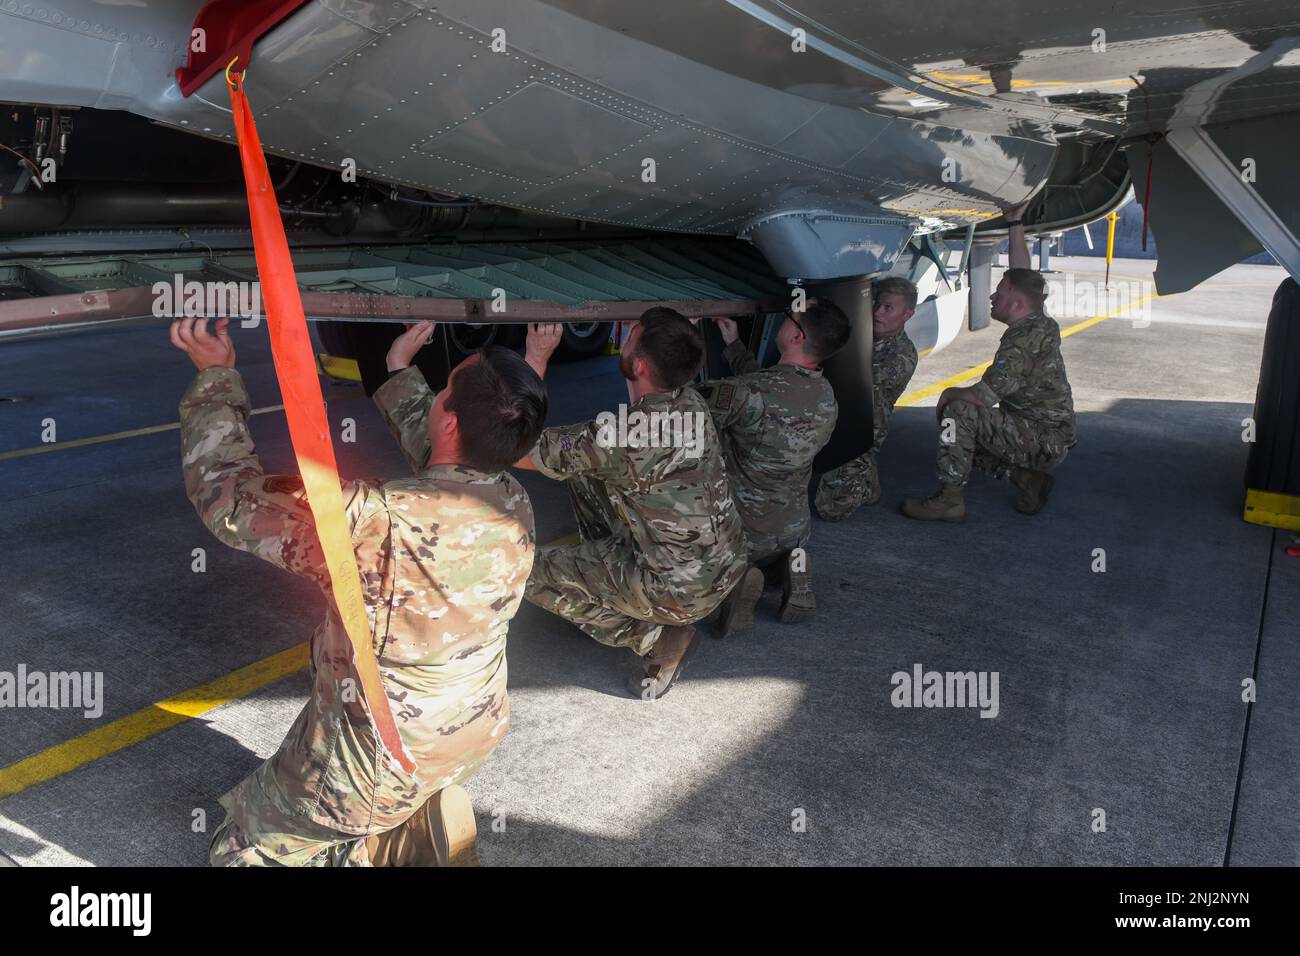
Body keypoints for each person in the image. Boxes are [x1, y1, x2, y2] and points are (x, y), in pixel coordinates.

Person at [171, 316, 545, 865]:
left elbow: (228, 498)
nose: (438, 399)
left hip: (376, 763)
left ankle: (375, 846)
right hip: (469, 734)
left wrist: (217, 376)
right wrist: (397, 372)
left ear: (450, 418)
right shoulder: (512, 501)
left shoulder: (370, 523)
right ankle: (405, 818)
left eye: (443, 392)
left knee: (235, 852)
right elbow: (448, 457)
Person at [515, 310, 747, 699]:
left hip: (677, 591)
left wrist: (536, 359)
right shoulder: (691, 401)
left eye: (630, 336)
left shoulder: (618, 437)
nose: (624, 339)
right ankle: (609, 571)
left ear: (638, 364)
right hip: (727, 562)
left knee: (519, 570)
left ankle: (654, 637)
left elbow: (520, 448)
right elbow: (635, 414)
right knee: (586, 473)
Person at [901, 205, 1076, 521]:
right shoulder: (1039, 321)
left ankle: (950, 500)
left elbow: (983, 397)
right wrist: (1015, 222)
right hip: (1050, 435)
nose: (993, 298)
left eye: (1000, 293)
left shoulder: (1020, 344)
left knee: (957, 414)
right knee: (967, 427)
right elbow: (1025, 276)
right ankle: (1027, 480)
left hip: (1042, 440)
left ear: (1018, 303)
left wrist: (948, 395)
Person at [699, 298, 850, 636]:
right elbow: (770, 390)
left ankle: (738, 582)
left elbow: (684, 404)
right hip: (792, 527)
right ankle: (790, 564)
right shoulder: (826, 396)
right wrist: (733, 344)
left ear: (796, 337)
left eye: (788, 317)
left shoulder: (749, 392)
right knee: (781, 543)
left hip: (742, 530)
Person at [814, 278, 919, 521]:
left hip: (861, 426)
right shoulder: (862, 334)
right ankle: (866, 475)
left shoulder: (901, 356)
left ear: (908, 314)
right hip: (837, 411)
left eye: (888, 308)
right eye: (877, 304)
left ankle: (862, 469)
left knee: (830, 510)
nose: (877, 312)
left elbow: (852, 382)